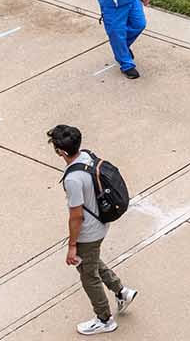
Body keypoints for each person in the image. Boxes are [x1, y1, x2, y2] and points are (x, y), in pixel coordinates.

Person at [49, 125, 139, 336]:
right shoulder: (87, 156)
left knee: (88, 275)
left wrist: (72, 246)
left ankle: (104, 319)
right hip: (101, 223)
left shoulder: (72, 179)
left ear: (61, 152)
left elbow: (76, 215)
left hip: (88, 232)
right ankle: (121, 291)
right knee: (90, 259)